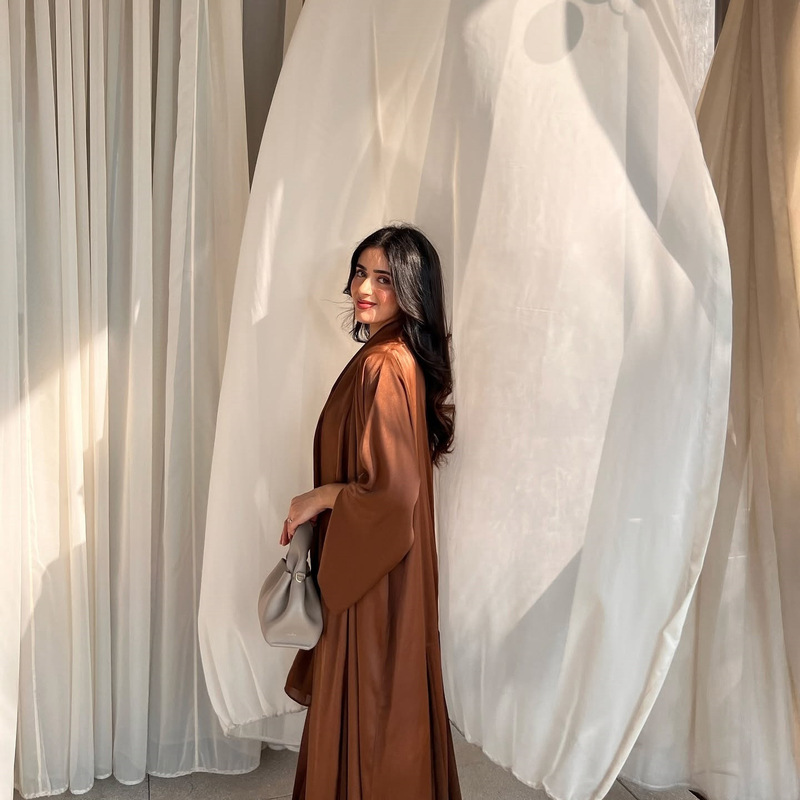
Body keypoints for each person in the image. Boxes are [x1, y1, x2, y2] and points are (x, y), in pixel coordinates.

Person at [278, 225, 462, 799]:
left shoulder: (384, 364)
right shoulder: (394, 356)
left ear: (411, 290)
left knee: (371, 703)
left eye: (384, 279)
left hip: (374, 576)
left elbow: (390, 494)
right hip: (385, 566)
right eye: (360, 272)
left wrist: (318, 498)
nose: (364, 288)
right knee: (387, 704)